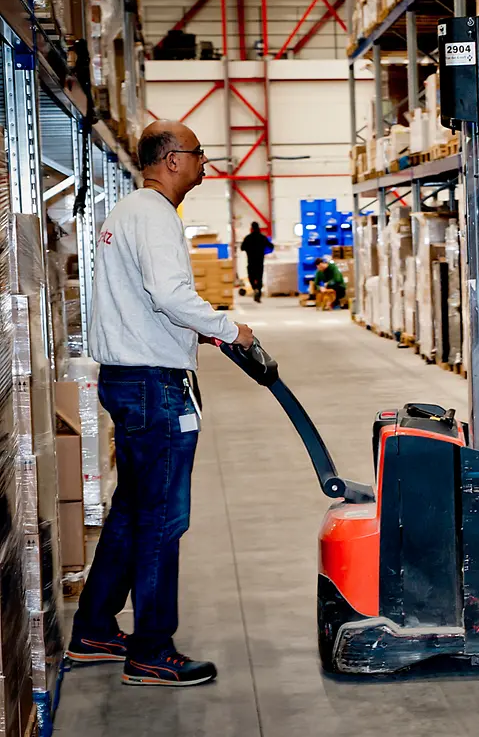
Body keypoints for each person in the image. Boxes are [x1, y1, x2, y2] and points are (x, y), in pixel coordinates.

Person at [68, 120, 256, 688]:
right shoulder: (154, 215)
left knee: (132, 510)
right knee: (161, 520)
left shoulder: (127, 212)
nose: (205, 164)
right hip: (154, 386)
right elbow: (170, 294)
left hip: (131, 379)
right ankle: (151, 650)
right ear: (172, 159)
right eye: (199, 154)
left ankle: (94, 629)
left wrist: (191, 332)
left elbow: (145, 302)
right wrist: (229, 328)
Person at [240, 221, 274, 302]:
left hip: (251, 262)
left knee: (251, 277)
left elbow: (242, 248)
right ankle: (258, 291)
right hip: (259, 262)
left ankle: (255, 289)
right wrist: (265, 251)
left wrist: (249, 249)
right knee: (259, 278)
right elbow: (271, 246)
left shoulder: (248, 238)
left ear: (251, 228)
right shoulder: (262, 237)